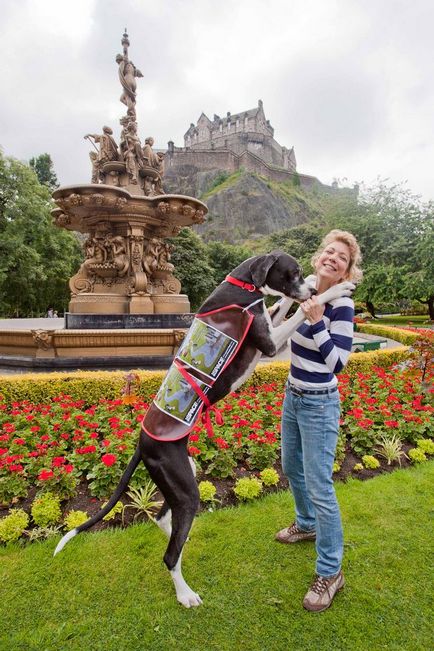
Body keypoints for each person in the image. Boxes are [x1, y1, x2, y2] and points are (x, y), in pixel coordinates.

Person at [275, 229, 362, 613]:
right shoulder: (305, 287)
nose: (332, 257)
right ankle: (305, 523)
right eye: (329, 251)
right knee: (292, 467)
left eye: (341, 257)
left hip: (319, 403)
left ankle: (331, 570)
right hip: (292, 395)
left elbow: (338, 363)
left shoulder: (341, 306)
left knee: (320, 485)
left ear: (345, 271)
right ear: (318, 257)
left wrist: (316, 322)